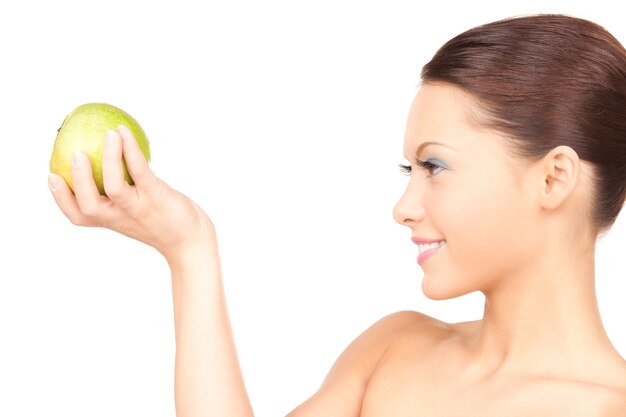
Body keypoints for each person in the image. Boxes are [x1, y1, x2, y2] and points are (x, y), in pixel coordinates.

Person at [48, 13, 626, 416]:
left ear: (553, 178)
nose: (404, 208)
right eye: (410, 172)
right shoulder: (395, 349)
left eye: (436, 166)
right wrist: (189, 248)